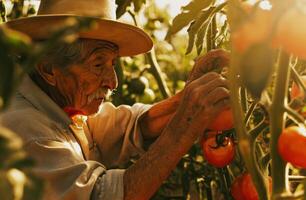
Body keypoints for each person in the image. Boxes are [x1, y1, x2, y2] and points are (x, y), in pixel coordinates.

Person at [0, 0, 231, 199]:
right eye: (98, 64)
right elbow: (101, 196)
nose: (113, 82)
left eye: (113, 64)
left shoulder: (59, 103)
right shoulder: (25, 132)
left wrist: (183, 100)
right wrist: (185, 126)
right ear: (49, 68)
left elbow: (124, 126)